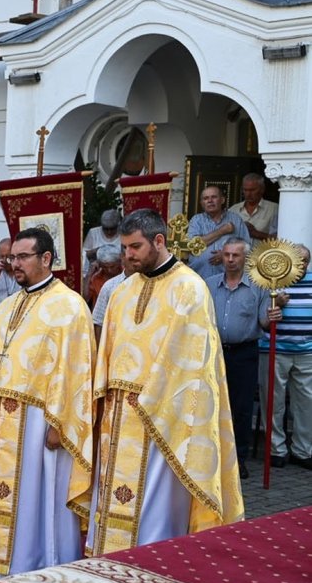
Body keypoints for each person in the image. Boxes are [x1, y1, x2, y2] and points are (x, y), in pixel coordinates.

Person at [88, 209, 243, 555]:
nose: (128, 255)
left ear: (159, 241)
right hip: (118, 416)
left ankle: (153, 562)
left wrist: (147, 401)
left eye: (135, 247)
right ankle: (106, 562)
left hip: (162, 416)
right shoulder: (124, 291)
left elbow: (191, 360)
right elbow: (107, 350)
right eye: (126, 247)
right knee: (114, 496)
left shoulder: (190, 288)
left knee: (153, 505)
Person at [0, 227, 92, 578]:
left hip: (38, 421)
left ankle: (34, 564)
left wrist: (61, 424)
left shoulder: (69, 306)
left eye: (22, 257)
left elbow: (77, 369)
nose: (14, 264)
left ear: (46, 259)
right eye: (12, 257)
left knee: (35, 496)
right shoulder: (7, 305)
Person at [204, 238, 271, 479]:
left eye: (236, 255)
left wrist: (273, 314)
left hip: (244, 353)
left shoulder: (258, 287)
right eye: (227, 255)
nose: (230, 260)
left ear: (246, 258)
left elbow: (264, 322)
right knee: (211, 404)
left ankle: (238, 459)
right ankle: (211, 457)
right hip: (213, 352)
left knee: (241, 408)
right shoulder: (209, 284)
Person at [259, 243, 312, 469]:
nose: (299, 266)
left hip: (307, 351)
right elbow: (259, 320)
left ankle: (303, 451)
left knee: (306, 403)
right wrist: (275, 305)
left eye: (304, 262)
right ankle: (276, 449)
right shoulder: (271, 281)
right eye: (295, 260)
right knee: (273, 401)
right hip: (274, 349)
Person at [187, 184, 251, 280]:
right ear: (201, 203)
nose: (210, 201)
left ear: (222, 200)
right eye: (205, 198)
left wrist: (226, 255)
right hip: (200, 277)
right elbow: (193, 244)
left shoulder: (236, 220)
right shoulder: (196, 220)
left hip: (228, 280)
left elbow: (247, 248)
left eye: (214, 197)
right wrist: (222, 231)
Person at [92, 251, 137, 341]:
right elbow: (98, 321)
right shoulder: (110, 286)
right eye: (130, 257)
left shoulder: (154, 284)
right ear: (122, 257)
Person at [235, 172, 279, 241]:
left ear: (262, 189)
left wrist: (257, 234)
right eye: (245, 190)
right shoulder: (233, 210)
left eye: (252, 190)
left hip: (263, 251)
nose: (248, 194)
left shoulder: (274, 209)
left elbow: (283, 240)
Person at [82, 208, 122, 279]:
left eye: (112, 228)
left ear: (118, 226)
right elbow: (83, 254)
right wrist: (96, 251)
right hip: (96, 272)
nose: (109, 232)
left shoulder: (123, 233)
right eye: (106, 229)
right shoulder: (93, 233)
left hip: (118, 273)